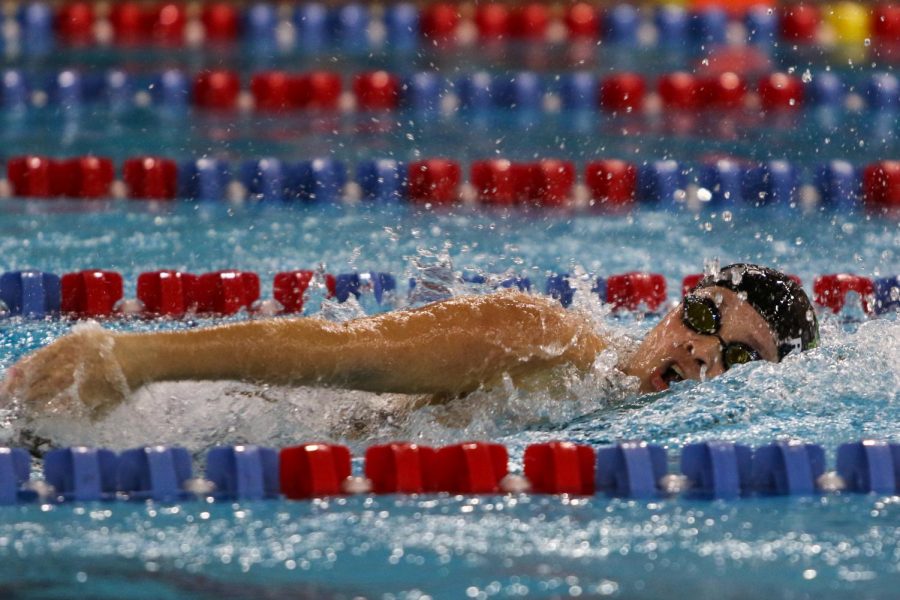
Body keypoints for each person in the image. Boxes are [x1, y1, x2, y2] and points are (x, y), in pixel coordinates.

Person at [1, 263, 818, 421]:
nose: (703, 357)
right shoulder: (548, 338)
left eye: (740, 361)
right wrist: (129, 360)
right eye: (709, 323)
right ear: (682, 302)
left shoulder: (602, 412)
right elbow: (343, 349)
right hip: (98, 411)